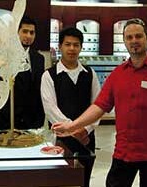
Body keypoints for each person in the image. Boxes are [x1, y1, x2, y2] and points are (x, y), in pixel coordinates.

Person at [52, 18, 147, 187]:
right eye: (129, 37)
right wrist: (73, 126)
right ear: (124, 41)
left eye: (138, 36)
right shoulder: (118, 74)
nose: (134, 41)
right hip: (124, 152)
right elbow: (99, 106)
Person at [41, 27, 101, 187]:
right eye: (68, 44)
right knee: (59, 179)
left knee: (84, 179)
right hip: (60, 139)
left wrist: (85, 129)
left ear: (81, 47)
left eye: (76, 45)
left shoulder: (90, 73)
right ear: (60, 46)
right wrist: (75, 130)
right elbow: (50, 109)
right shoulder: (49, 75)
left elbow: (98, 105)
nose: (72, 49)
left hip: (87, 138)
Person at [0, 16, 45, 130]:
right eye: (24, 31)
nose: (28, 36)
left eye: (32, 32)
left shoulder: (39, 59)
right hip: (3, 123)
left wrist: (39, 121)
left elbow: (38, 92)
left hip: (31, 125)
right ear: (16, 33)